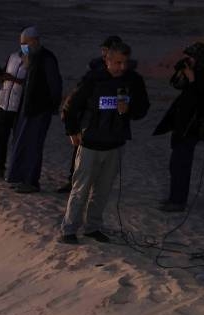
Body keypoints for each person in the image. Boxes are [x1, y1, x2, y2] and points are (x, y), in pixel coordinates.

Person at [60, 42, 149, 245]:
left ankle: (92, 228)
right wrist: (72, 131)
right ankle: (69, 229)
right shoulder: (93, 79)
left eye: (125, 63)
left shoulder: (133, 80)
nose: (122, 67)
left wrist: (129, 109)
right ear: (107, 60)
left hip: (115, 144)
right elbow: (70, 106)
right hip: (90, 143)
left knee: (103, 190)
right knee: (80, 189)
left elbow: (142, 109)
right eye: (117, 62)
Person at [153, 42, 204, 212]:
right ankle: (175, 198)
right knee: (176, 164)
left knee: (180, 165)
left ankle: (177, 202)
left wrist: (191, 79)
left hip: (191, 127)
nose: (188, 60)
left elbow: (199, 98)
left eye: (191, 57)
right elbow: (176, 85)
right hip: (183, 125)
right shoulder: (198, 71)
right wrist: (182, 72)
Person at [58, 35, 125, 193]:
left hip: (109, 124)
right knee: (80, 152)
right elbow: (78, 96)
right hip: (89, 120)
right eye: (103, 50)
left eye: (106, 50)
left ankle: (88, 184)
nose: (104, 53)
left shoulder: (121, 72)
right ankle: (73, 181)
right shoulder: (95, 70)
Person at [6, 26, 62, 193]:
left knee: (33, 145)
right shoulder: (32, 57)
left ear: (35, 41)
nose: (23, 47)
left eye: (25, 43)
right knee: (21, 142)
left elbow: (55, 85)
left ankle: (31, 181)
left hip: (40, 109)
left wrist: (53, 106)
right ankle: (20, 177)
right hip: (28, 108)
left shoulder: (46, 58)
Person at [0, 46, 27, 179]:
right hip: (3, 103)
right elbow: (3, 79)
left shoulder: (32, 60)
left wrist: (13, 79)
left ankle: (16, 170)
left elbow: (31, 83)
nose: (24, 45)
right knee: (1, 138)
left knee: (17, 140)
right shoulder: (12, 57)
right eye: (22, 41)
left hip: (18, 107)